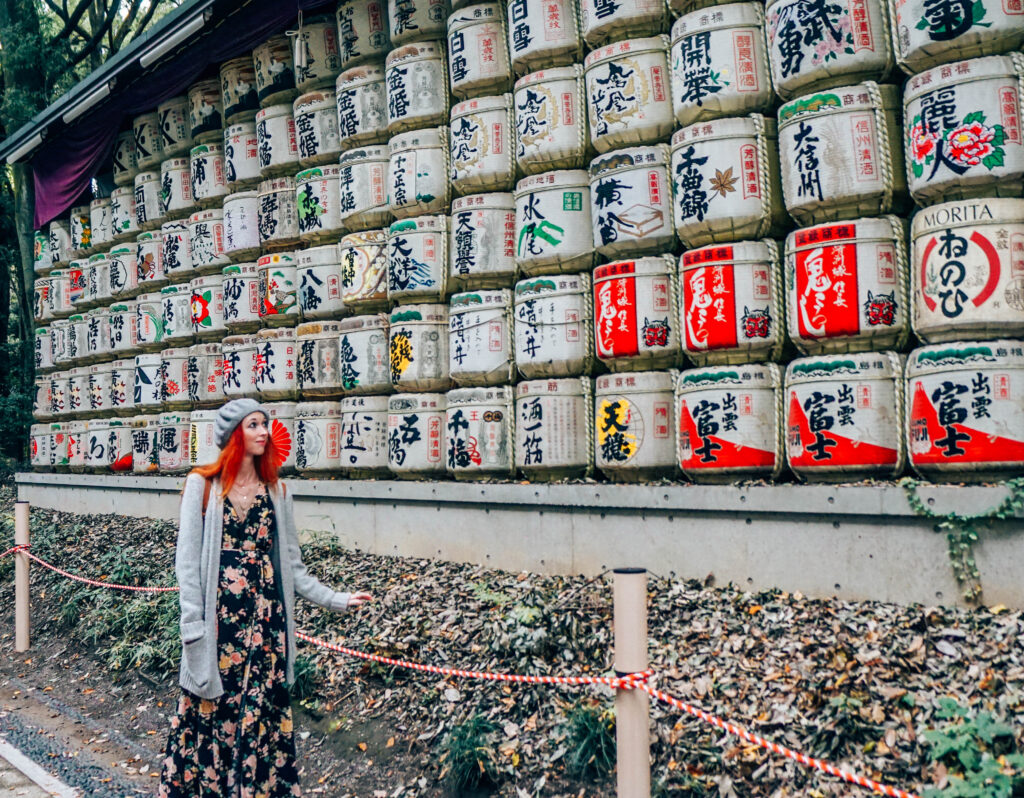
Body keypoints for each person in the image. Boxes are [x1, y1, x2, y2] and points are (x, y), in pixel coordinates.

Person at [159, 398, 372, 797]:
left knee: (261, 713)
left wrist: (336, 599)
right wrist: (192, 627)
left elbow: (292, 568)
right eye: (254, 424)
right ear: (234, 434)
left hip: (265, 628)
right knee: (213, 710)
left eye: (265, 424)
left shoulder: (277, 490)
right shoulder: (202, 485)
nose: (263, 432)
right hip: (218, 627)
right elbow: (186, 566)